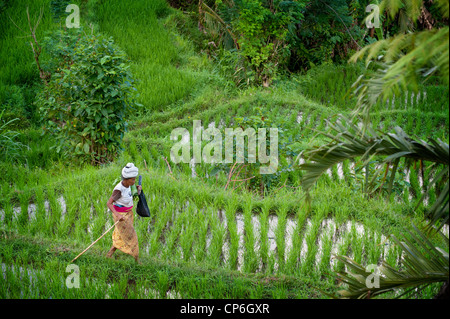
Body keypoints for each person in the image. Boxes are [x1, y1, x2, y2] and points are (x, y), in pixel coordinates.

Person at [106, 163, 142, 263]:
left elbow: (133, 196)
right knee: (132, 237)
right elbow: (109, 203)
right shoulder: (119, 190)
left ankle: (109, 254)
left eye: (135, 179)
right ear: (126, 179)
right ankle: (136, 259)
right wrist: (117, 215)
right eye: (133, 179)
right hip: (121, 216)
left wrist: (138, 190)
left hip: (128, 214)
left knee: (120, 235)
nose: (134, 181)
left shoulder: (130, 186)